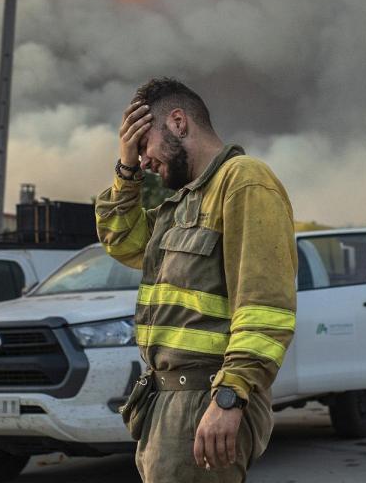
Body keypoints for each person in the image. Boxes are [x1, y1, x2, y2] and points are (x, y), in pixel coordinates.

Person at [95, 78, 297, 482]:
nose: (144, 160)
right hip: (165, 403)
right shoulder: (183, 203)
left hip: (205, 398)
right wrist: (126, 170)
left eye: (143, 144)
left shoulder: (243, 180)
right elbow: (122, 241)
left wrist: (230, 396)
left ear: (178, 122)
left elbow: (264, 309)